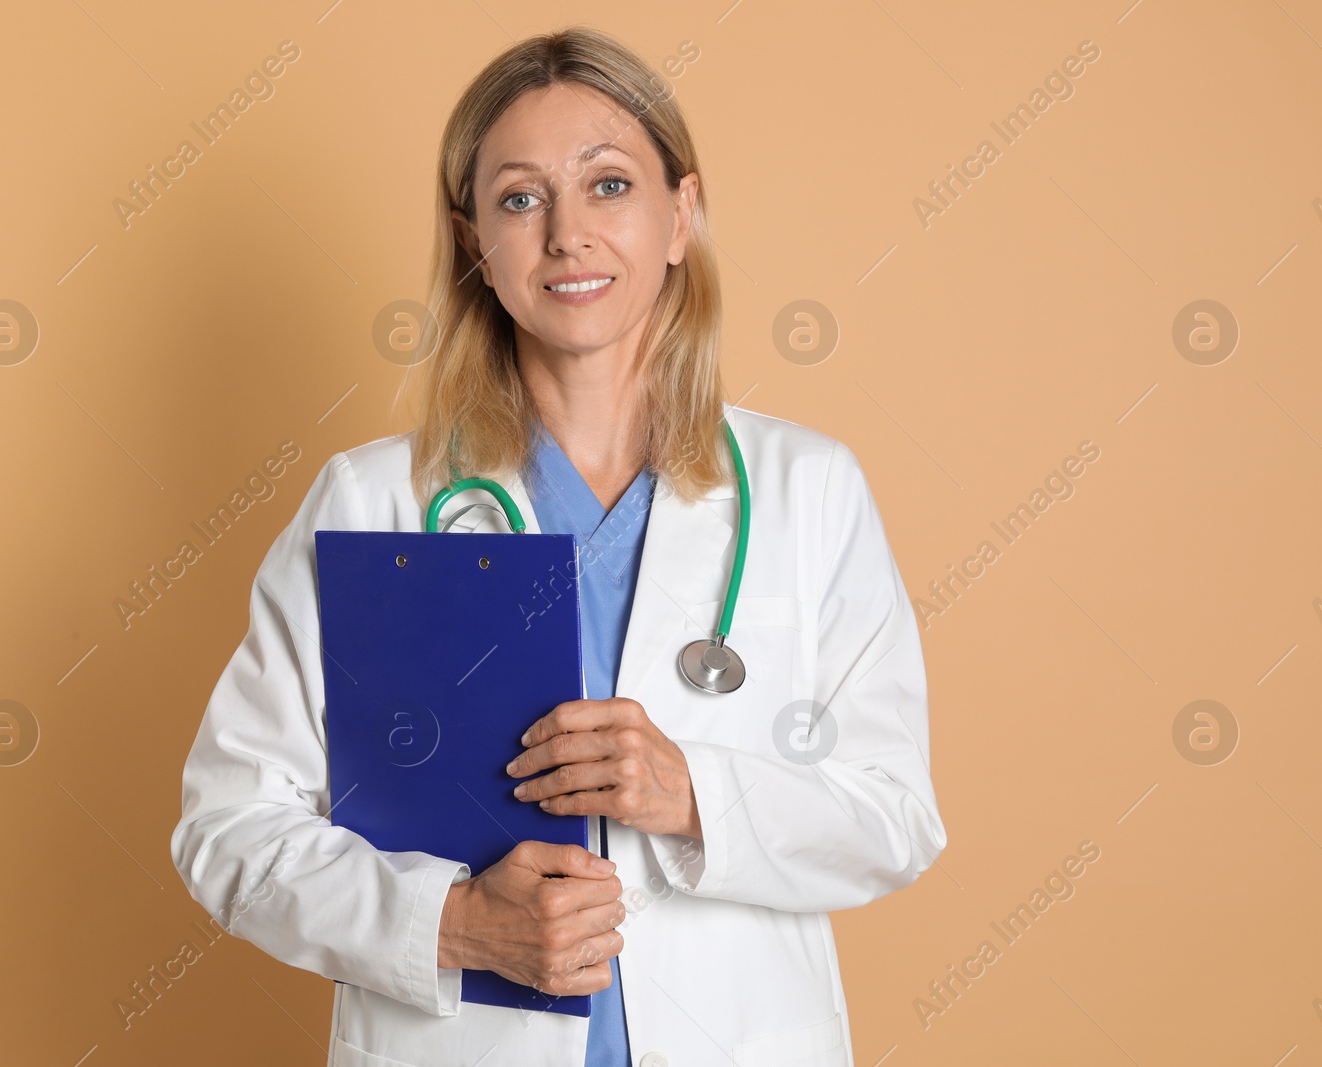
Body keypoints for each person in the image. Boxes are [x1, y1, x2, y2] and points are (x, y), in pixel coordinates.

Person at [170, 25, 946, 1067]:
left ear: (683, 214)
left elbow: (893, 817)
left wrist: (689, 791)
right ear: (473, 245)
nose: (567, 234)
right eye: (521, 198)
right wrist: (450, 923)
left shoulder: (810, 490)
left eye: (610, 185)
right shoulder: (369, 501)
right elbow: (228, 827)